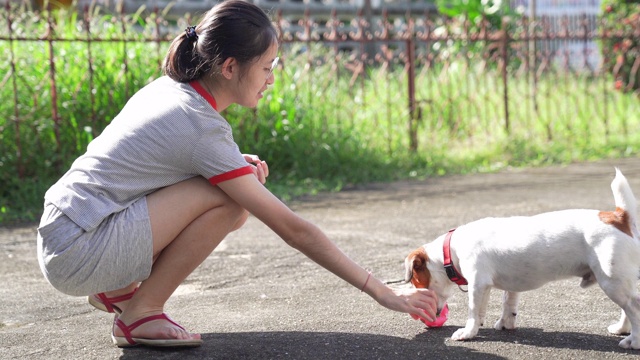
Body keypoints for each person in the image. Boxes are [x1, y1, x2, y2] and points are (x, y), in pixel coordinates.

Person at [36, 0, 437, 348]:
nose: (271, 78)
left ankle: (118, 290)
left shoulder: (173, 91)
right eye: (266, 67)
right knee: (231, 200)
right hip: (79, 250)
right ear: (230, 66)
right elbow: (293, 229)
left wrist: (230, 166)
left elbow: (151, 166)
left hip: (67, 232)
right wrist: (384, 293)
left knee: (235, 188)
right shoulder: (199, 125)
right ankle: (141, 312)